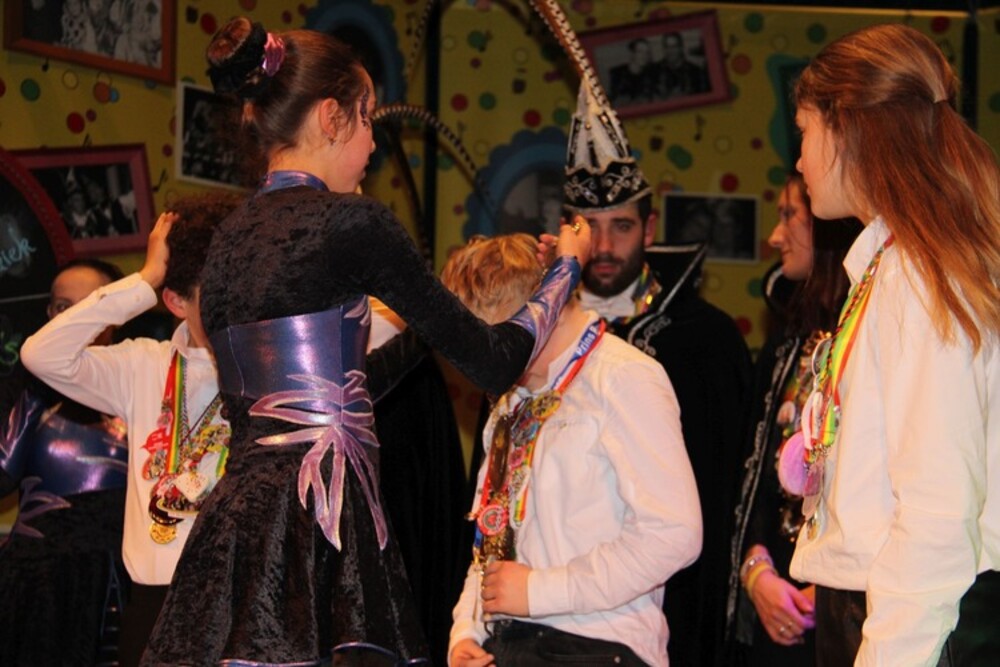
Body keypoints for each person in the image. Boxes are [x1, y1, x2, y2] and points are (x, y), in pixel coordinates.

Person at [140, 18, 589, 665]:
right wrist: (564, 271)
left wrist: (429, 329)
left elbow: (330, 392)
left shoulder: (230, 239)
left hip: (234, 529)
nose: (374, 141)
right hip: (317, 523)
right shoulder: (353, 223)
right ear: (331, 117)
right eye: (367, 118)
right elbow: (495, 362)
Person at [786, 23, 1000, 666]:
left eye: (803, 132)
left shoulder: (919, 276)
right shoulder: (894, 264)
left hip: (911, 624)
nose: (798, 161)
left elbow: (937, 510)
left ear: (847, 128)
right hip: (887, 608)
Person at [443, 234, 701, 667]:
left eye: (493, 344)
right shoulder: (511, 400)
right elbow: (490, 534)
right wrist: (466, 631)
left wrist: (541, 590)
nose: (484, 366)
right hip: (508, 643)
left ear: (542, 314)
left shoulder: (623, 377)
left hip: (597, 646)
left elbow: (674, 534)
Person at [564, 75, 751, 667]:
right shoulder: (536, 337)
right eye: (588, 226)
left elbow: (725, 496)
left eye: (621, 226)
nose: (603, 246)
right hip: (554, 604)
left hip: (671, 610)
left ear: (648, 230)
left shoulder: (706, 341)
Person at [21, 193, 241, 667]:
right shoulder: (143, 363)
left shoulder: (268, 362)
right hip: (153, 604)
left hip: (239, 600)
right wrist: (144, 281)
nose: (230, 304)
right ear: (176, 301)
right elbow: (41, 355)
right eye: (214, 293)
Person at [726, 174, 862, 666]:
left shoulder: (867, 340)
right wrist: (757, 570)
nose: (774, 236)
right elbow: (753, 475)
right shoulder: (787, 344)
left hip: (849, 604)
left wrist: (830, 587)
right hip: (776, 603)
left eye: (789, 216)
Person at [1, 258, 129, 666]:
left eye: (90, 305)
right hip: (39, 585)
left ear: (118, 315)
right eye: (62, 307)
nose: (73, 318)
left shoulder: (143, 377)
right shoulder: (27, 385)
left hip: (128, 577)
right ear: (48, 313)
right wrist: (36, 383)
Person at [656, 32, 708, 98]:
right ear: (663, 49)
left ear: (681, 48)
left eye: (674, 47)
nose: (670, 51)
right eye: (667, 47)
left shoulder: (696, 72)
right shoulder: (654, 72)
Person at [608, 38, 656, 105]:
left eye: (647, 53)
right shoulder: (616, 74)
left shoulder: (651, 75)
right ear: (632, 53)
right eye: (640, 52)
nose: (644, 56)